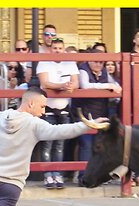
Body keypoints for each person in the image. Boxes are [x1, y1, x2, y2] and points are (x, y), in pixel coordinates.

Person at [71, 48, 121, 186]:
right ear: (89, 60)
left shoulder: (104, 72)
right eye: (96, 61)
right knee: (86, 144)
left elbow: (116, 86)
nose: (99, 64)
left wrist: (111, 86)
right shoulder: (83, 70)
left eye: (101, 62)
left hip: (100, 112)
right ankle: (82, 176)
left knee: (98, 146)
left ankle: (95, 176)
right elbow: (85, 86)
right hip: (85, 112)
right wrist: (107, 86)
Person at [36, 37, 80, 189]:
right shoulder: (44, 62)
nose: (57, 51)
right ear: (51, 49)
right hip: (47, 108)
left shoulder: (70, 63)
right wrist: (62, 86)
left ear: (63, 49)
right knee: (47, 144)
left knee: (60, 145)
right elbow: (45, 83)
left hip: (64, 108)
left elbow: (76, 82)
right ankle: (48, 175)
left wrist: (70, 87)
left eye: (60, 48)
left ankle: (58, 174)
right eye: (55, 48)